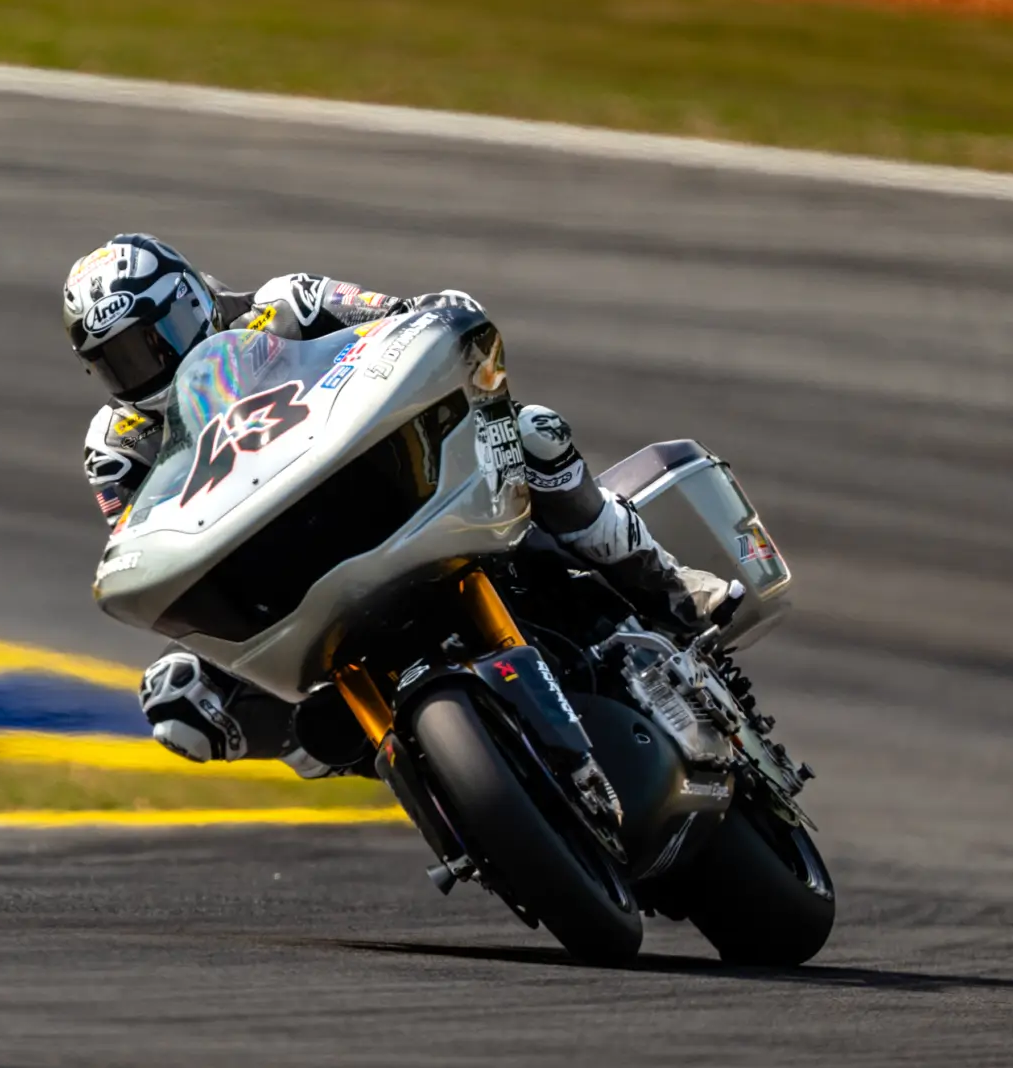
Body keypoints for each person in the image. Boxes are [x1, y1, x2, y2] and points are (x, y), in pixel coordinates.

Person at [61, 233, 736, 771]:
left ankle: (669, 584)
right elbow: (145, 544)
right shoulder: (117, 445)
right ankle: (395, 759)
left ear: (187, 300)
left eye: (153, 339)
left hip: (393, 492)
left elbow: (407, 318)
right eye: (122, 360)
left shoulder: (289, 304)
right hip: (285, 576)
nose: (149, 365)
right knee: (177, 696)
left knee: (534, 431)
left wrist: (438, 313)